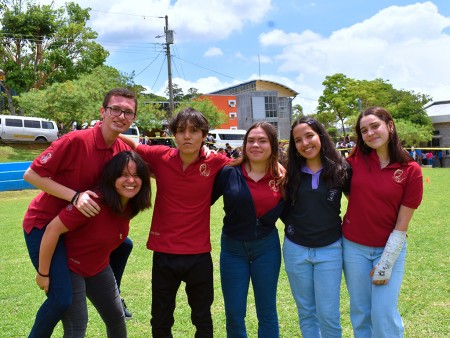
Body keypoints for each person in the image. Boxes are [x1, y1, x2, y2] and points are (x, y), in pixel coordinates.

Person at [23, 88, 138, 337]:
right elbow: (31, 175)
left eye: (128, 112)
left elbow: (136, 152)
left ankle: (111, 290)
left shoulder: (120, 149)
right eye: (115, 109)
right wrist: (75, 196)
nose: (121, 115)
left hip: (78, 226)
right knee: (62, 300)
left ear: (133, 118)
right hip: (45, 224)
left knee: (124, 244)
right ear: (103, 112)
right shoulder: (75, 141)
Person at [119, 107, 232, 337]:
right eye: (180, 131)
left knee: (202, 318)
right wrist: (102, 128)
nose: (187, 136)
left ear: (204, 135)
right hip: (164, 253)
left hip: (198, 255)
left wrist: (278, 166)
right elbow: (131, 144)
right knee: (160, 318)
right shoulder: (160, 156)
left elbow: (248, 162)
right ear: (174, 134)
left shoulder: (216, 161)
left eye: (193, 130)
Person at [36, 151, 151, 337]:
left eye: (137, 175)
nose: (131, 180)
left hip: (98, 267)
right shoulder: (92, 202)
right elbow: (52, 230)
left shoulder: (130, 205)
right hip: (71, 268)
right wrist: (43, 273)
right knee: (77, 325)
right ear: (112, 177)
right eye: (123, 175)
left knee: (116, 317)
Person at [342, 107, 423, 337]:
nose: (370, 133)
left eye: (374, 126)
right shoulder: (353, 162)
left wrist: (386, 261)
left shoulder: (411, 170)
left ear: (390, 125)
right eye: (364, 130)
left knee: (383, 313)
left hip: (388, 249)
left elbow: (402, 224)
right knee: (361, 312)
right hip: (353, 248)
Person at [211, 122, 284, 337]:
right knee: (234, 313)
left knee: (267, 311)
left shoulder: (283, 178)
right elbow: (200, 200)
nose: (256, 145)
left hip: (267, 248)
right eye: (251, 140)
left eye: (262, 141)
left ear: (272, 145)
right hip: (233, 249)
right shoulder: (228, 172)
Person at [282, 117, 351, 338]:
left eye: (309, 135)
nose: (305, 143)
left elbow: (359, 204)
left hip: (330, 249)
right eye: (298, 140)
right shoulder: (288, 172)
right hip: (295, 249)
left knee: (328, 313)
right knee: (306, 312)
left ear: (320, 135)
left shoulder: (341, 169)